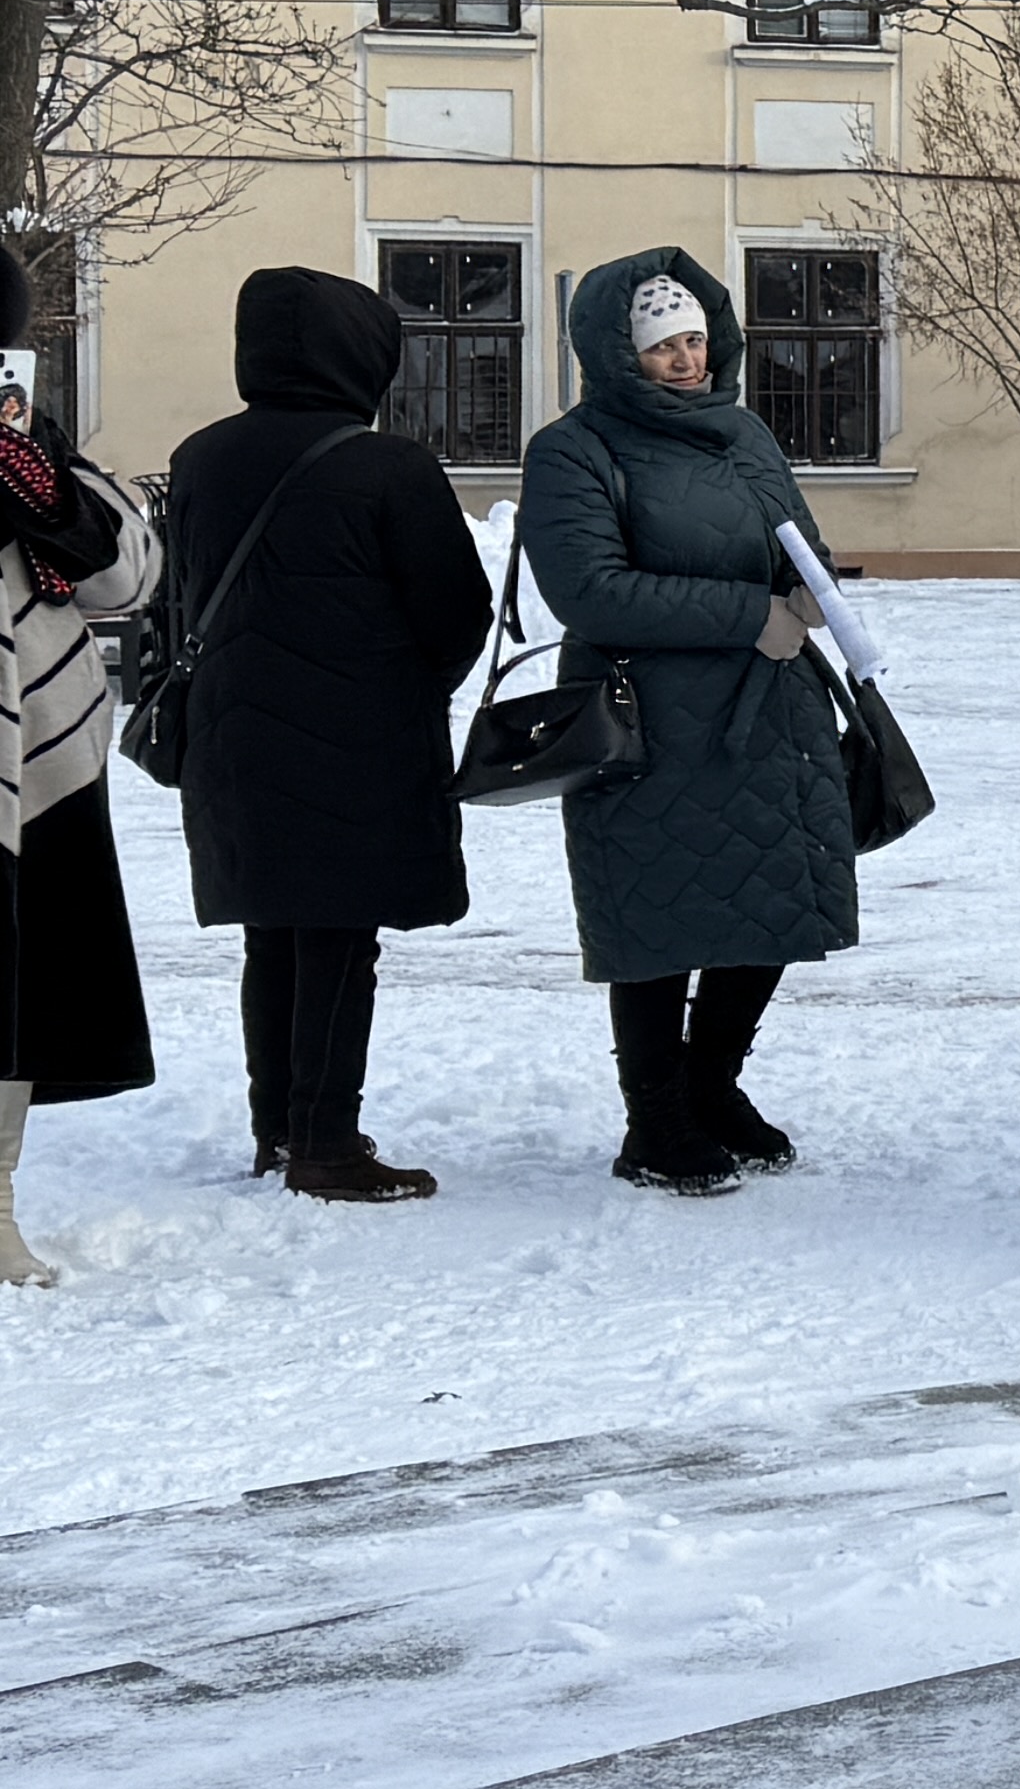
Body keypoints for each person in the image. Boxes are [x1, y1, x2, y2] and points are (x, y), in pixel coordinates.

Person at [161, 270, 499, 1202]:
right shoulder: (388, 466)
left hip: (232, 740)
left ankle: (277, 1128)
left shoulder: (200, 458)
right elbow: (455, 614)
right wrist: (406, 687)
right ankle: (327, 1143)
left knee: (271, 932)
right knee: (341, 940)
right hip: (359, 739)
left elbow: (176, 594)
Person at [524, 251, 857, 1197]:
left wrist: (811, 589)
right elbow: (592, 591)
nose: (685, 359)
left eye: (696, 340)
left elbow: (799, 538)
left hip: (768, 717)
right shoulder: (575, 448)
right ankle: (656, 1120)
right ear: (620, 353)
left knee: (769, 907)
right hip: (648, 728)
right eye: (664, 345)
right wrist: (750, 616)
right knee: (658, 923)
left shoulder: (744, 432)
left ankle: (713, 1085)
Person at [0, 270, 156, 1279]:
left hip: (37, 757)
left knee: (13, 994)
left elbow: (131, 575)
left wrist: (43, 484)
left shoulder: (28, 452)